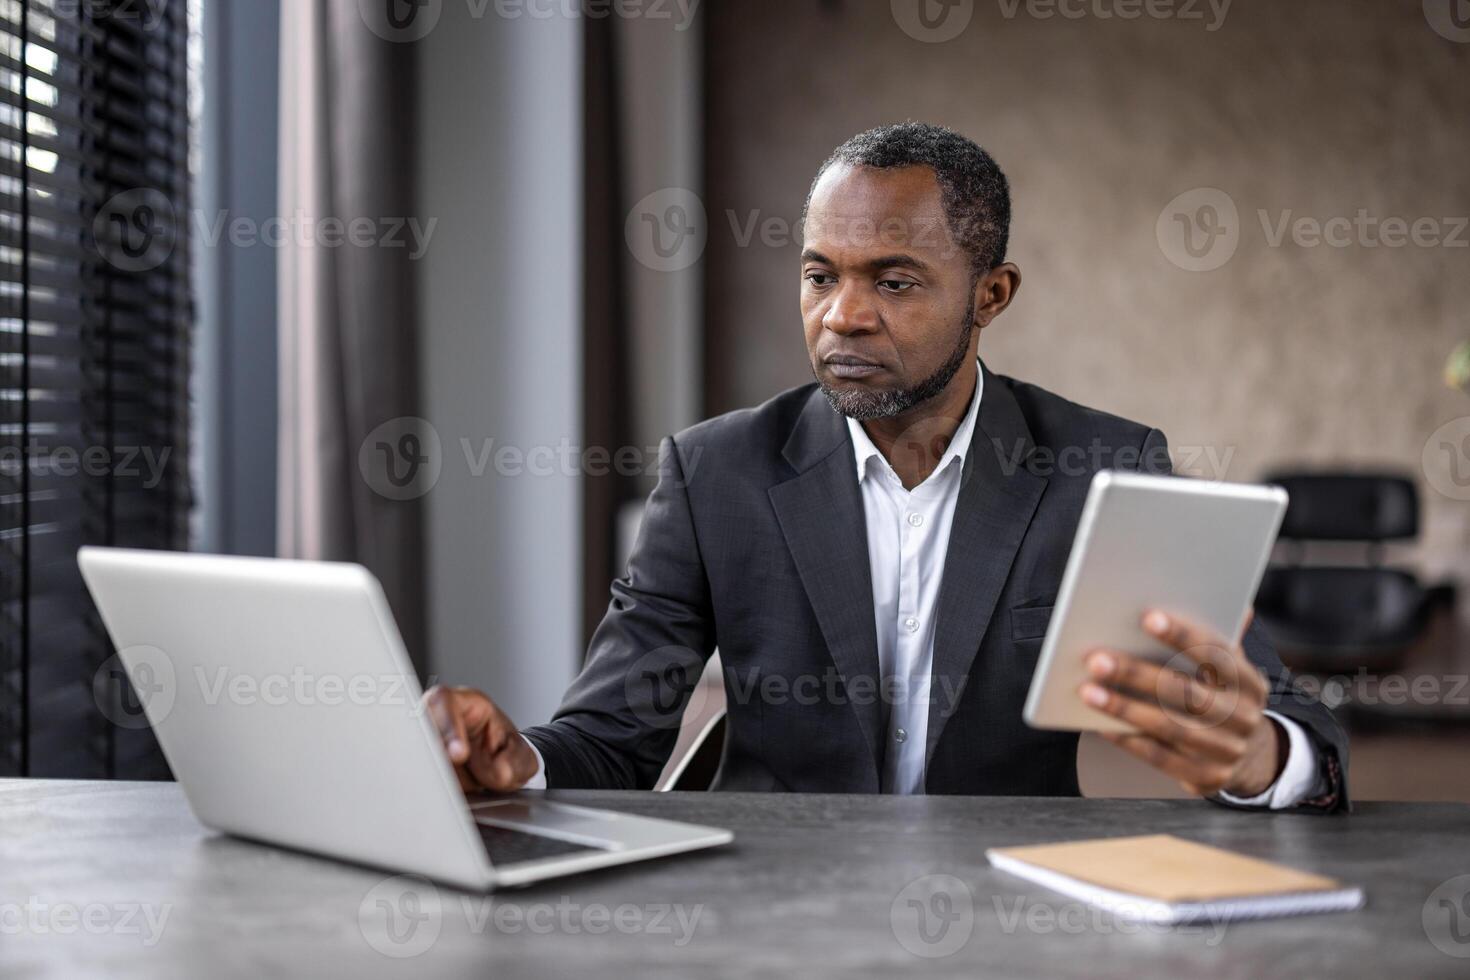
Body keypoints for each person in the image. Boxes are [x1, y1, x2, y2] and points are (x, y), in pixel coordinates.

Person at [425, 122, 1346, 812]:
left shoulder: (1103, 467)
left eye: (894, 282)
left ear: (992, 294)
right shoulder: (716, 476)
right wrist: (521, 763)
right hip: (768, 907)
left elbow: (1302, 735)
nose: (842, 317)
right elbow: (611, 737)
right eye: (821, 275)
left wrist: (1262, 756)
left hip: (1004, 909)